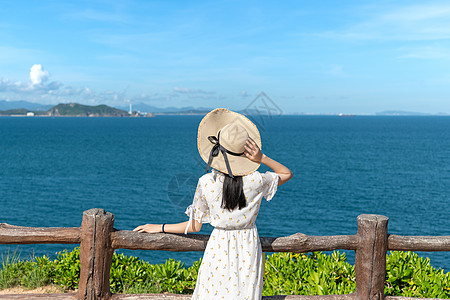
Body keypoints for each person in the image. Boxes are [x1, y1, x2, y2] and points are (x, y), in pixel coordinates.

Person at [134, 108, 293, 299]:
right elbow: (286, 174)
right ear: (243, 153)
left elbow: (194, 225)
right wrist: (262, 158)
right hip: (247, 247)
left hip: (218, 248)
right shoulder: (257, 180)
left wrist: (159, 227)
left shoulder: (206, 182)